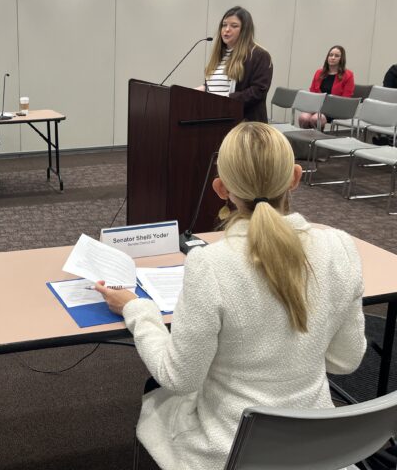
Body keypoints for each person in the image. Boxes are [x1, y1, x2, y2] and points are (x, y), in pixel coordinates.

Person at [96, 122, 366, 469]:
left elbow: (180, 378)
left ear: (221, 189)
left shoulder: (210, 264)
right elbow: (346, 361)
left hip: (230, 448)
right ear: (296, 177)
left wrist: (137, 310)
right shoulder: (340, 247)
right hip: (316, 446)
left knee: (161, 403)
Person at [200, 6, 273, 122]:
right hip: (215, 119)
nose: (227, 29)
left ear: (245, 30)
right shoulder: (219, 55)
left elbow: (258, 91)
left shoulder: (259, 55)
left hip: (244, 124)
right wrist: (200, 91)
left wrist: (226, 101)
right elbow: (214, 86)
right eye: (224, 25)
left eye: (234, 26)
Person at [298, 45, 354, 129]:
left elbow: (346, 99)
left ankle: (316, 139)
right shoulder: (319, 72)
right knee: (303, 118)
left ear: (341, 59)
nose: (333, 57)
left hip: (334, 109)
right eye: (330, 55)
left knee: (315, 119)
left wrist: (325, 108)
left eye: (336, 56)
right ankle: (305, 139)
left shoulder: (348, 75)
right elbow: (312, 92)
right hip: (317, 107)